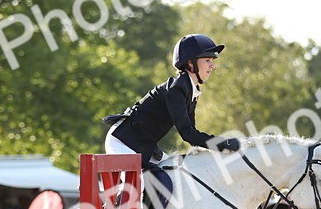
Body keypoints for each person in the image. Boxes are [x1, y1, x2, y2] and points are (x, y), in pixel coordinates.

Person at [102, 34, 242, 166]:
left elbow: (192, 133)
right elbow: (187, 134)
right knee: (139, 185)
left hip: (144, 145)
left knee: (172, 173)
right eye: (207, 60)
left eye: (212, 61)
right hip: (123, 141)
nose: (213, 65)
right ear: (191, 64)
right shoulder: (176, 90)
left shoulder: (190, 91)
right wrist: (222, 143)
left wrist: (220, 145)